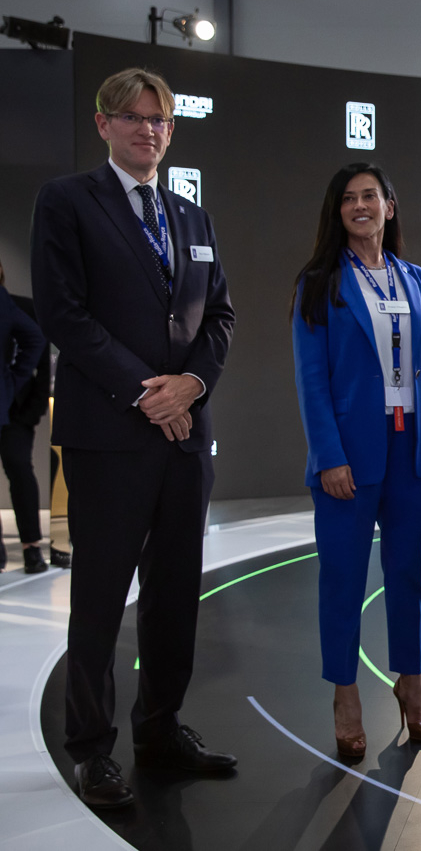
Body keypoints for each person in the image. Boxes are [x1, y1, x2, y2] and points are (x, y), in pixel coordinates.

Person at [30, 67, 236, 809]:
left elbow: (219, 317)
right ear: (104, 124)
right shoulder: (66, 201)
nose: (148, 129)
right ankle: (91, 749)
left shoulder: (192, 218)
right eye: (134, 117)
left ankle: (160, 728)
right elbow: (63, 312)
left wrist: (193, 385)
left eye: (159, 120)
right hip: (111, 435)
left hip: (184, 438)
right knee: (99, 597)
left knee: (175, 594)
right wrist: (149, 392)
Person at [292, 163, 421, 760]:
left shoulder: (418, 280)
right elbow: (311, 379)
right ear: (337, 211)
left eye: (370, 196)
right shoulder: (319, 282)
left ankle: (412, 683)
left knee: (409, 577)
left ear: (390, 205)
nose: (360, 206)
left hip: (413, 449)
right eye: (348, 198)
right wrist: (328, 455)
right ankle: (345, 695)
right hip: (348, 456)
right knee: (342, 580)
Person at [0, 259, 48, 573]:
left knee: (19, 469)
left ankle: (32, 546)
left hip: (18, 410)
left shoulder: (23, 308)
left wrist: (32, 408)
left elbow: (41, 361)